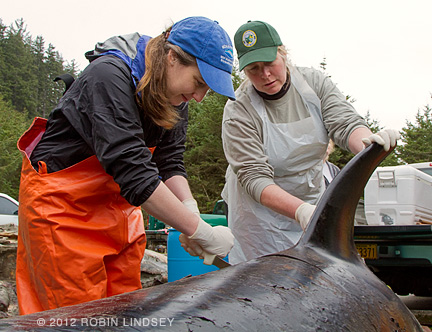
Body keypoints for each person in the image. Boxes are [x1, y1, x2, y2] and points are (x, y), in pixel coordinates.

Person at [16, 16, 235, 315]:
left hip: (120, 216)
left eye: (207, 89)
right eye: (199, 82)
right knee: (76, 319)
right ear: (172, 56)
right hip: (64, 214)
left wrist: (189, 207)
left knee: (124, 315)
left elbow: (169, 163)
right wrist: (200, 231)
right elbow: (133, 171)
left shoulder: (176, 98)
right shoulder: (108, 76)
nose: (198, 97)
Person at [221, 20, 399, 264]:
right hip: (258, 215)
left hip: (310, 198)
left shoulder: (314, 84)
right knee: (263, 280)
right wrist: (300, 211)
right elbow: (254, 177)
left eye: (270, 63)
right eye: (254, 68)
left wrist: (369, 146)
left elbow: (345, 124)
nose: (265, 75)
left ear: (283, 53)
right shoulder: (239, 109)